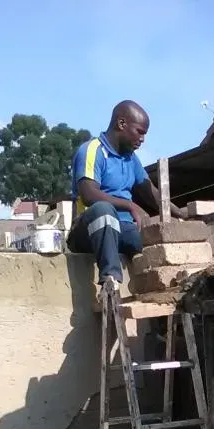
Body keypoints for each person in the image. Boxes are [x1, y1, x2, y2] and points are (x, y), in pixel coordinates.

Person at [68, 100, 186, 292]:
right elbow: (89, 194)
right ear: (121, 124)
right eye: (140, 132)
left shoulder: (131, 158)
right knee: (104, 211)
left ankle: (158, 286)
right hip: (89, 231)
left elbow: (152, 193)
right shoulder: (92, 150)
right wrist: (130, 205)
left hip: (122, 229)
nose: (143, 139)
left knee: (152, 235)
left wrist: (181, 214)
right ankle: (110, 281)